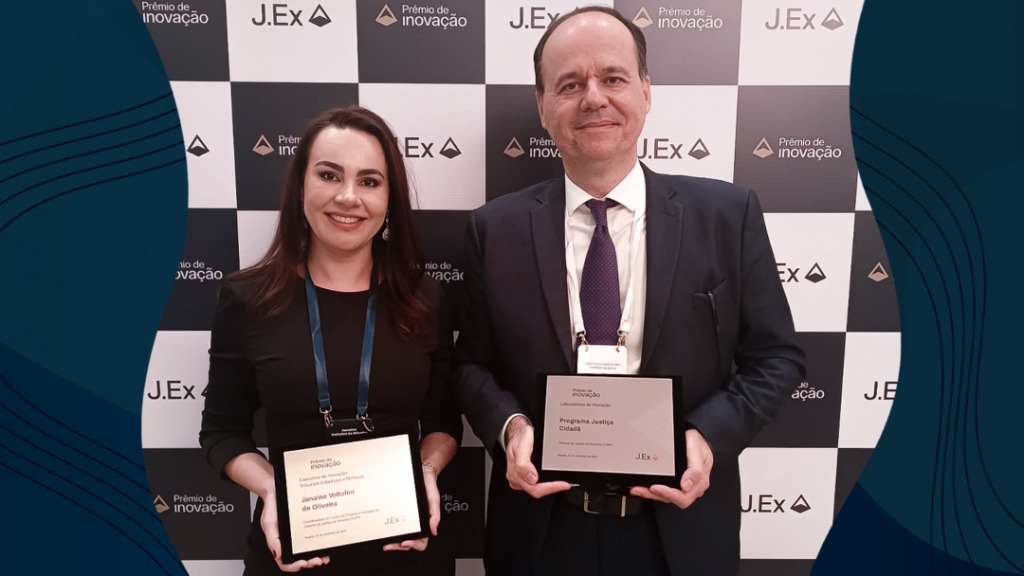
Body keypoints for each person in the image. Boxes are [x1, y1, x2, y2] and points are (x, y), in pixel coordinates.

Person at [453, 7, 805, 576]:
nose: (593, 98)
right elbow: (471, 367)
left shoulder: (727, 214)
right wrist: (511, 428)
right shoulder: (495, 230)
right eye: (570, 84)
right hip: (542, 530)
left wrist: (707, 438)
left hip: (680, 531)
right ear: (543, 107)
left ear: (645, 92)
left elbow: (776, 357)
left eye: (613, 78)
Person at [200, 106, 462, 575]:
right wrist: (270, 490)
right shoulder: (247, 299)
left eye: (369, 181)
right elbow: (221, 433)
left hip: (406, 552)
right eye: (329, 175)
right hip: (292, 552)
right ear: (301, 187)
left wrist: (425, 472)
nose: (348, 197)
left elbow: (443, 424)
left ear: (389, 199)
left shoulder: (424, 298)